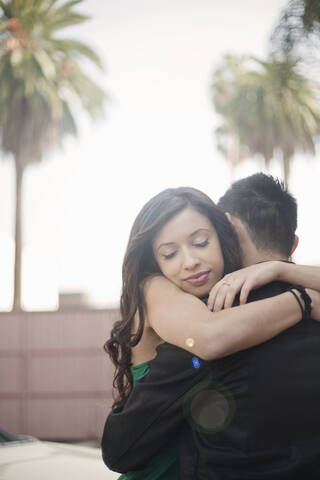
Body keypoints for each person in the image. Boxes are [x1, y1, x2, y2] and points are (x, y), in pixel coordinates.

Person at [102, 180, 320, 479]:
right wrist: (302, 300)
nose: (190, 262)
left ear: (224, 233)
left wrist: (281, 269)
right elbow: (209, 337)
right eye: (169, 254)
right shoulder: (155, 288)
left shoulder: (231, 298)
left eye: (201, 242)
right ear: (155, 260)